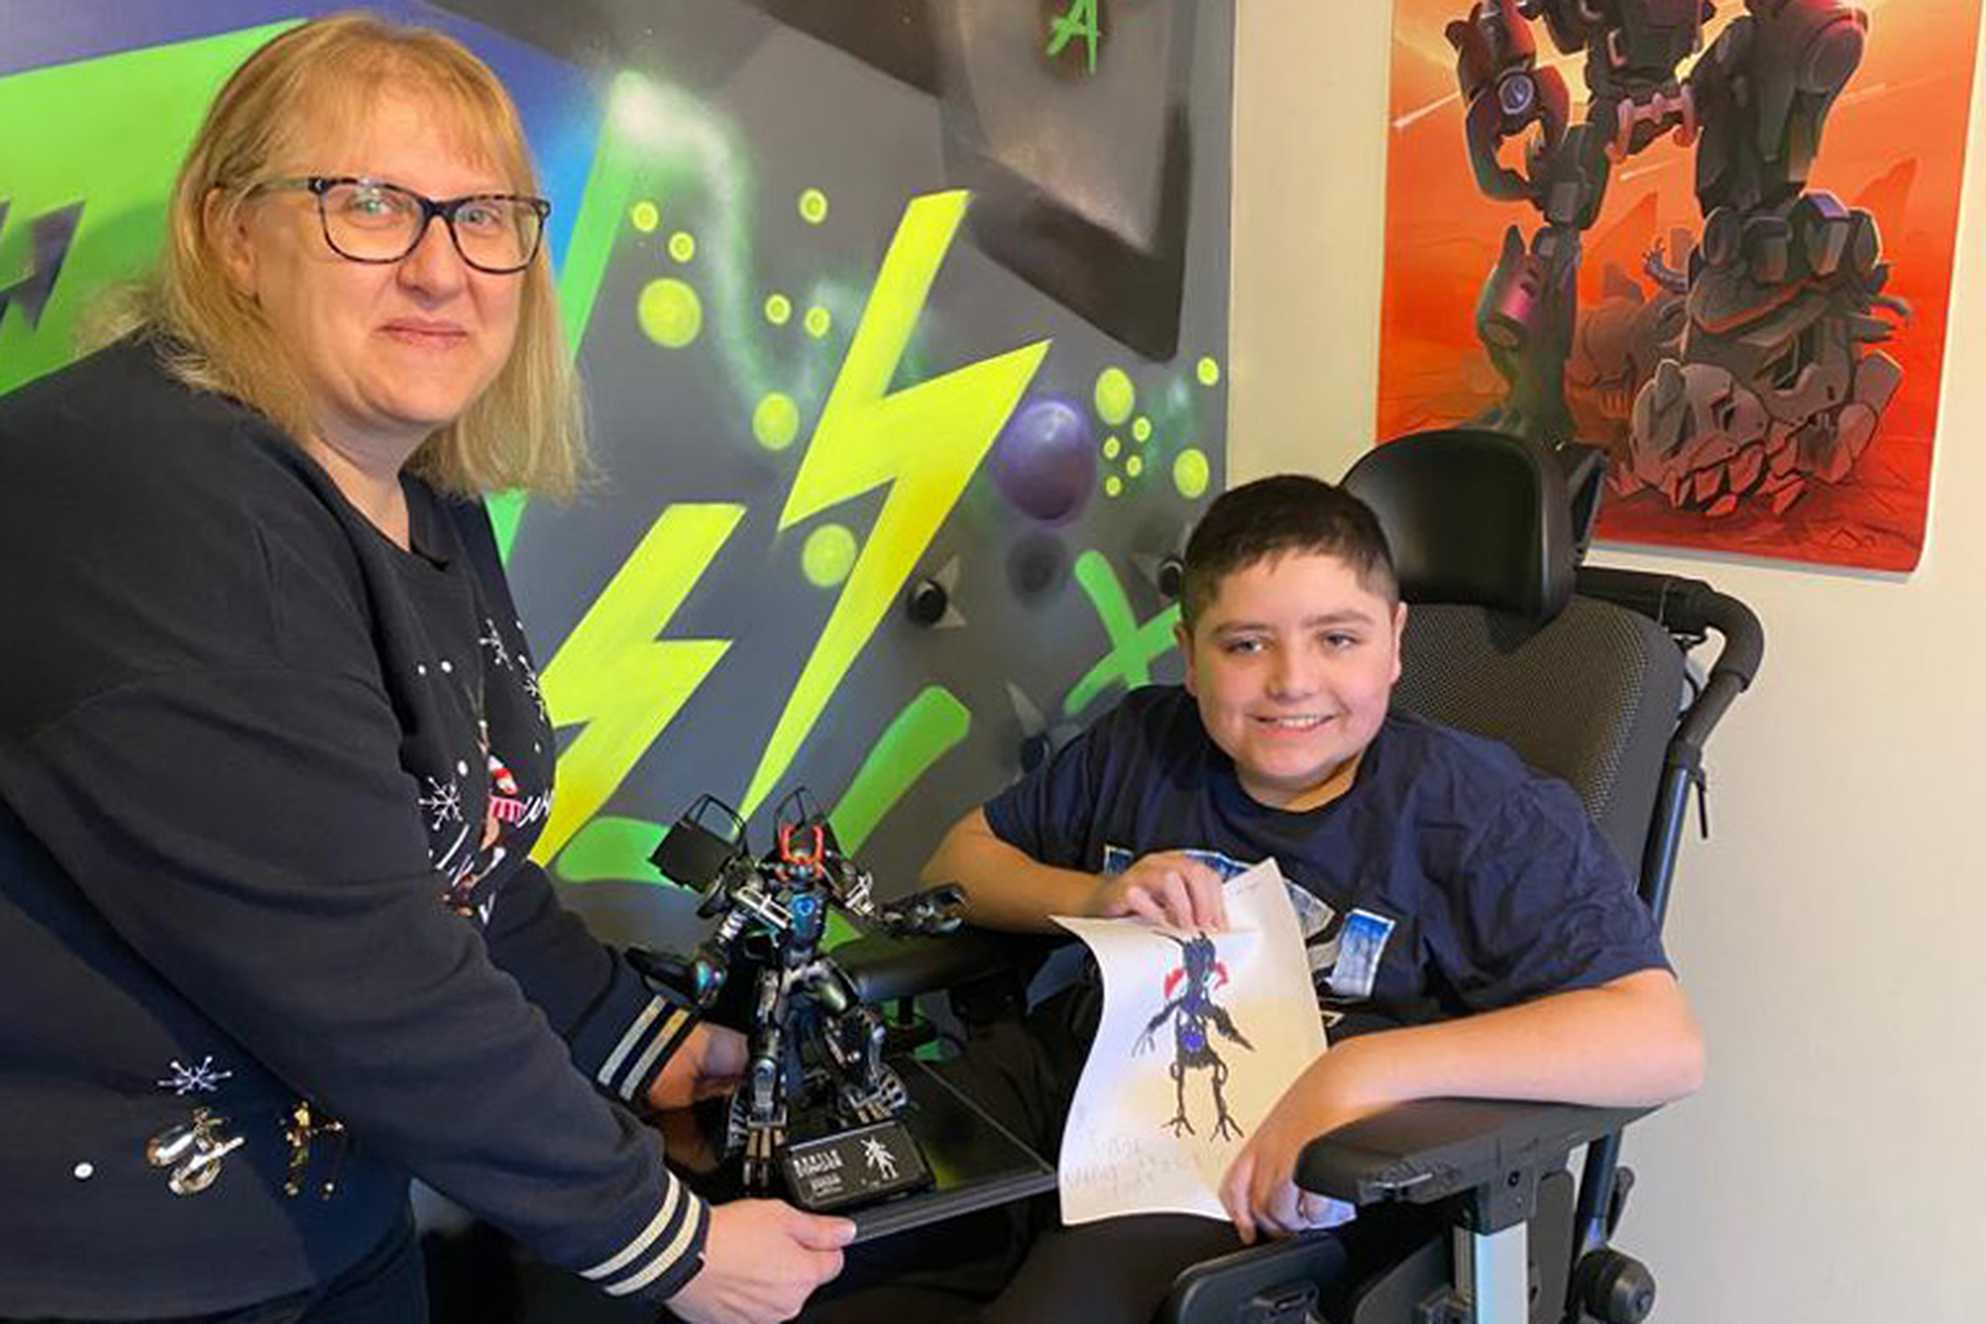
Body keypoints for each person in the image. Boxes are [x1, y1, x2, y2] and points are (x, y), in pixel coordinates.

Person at [0, 15, 851, 1323]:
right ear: (233, 234)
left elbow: (458, 867)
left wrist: (655, 1048)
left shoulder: (414, 488)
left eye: (485, 217)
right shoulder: (153, 484)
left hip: (325, 1227)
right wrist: (662, 1241)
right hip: (113, 1275)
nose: (442, 269)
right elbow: (361, 957)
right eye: (372, 206)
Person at [810, 474, 1705, 1324]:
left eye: (1338, 638)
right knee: (816, 1253)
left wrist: (1358, 1071)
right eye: (1245, 644)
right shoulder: (1143, 743)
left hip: (1246, 1155)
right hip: (1067, 1092)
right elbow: (957, 864)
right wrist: (1097, 893)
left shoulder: (1478, 813)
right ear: (1190, 654)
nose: (1291, 682)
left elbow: (1658, 1043)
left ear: (1396, 641)